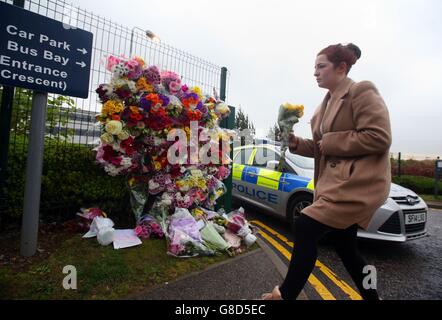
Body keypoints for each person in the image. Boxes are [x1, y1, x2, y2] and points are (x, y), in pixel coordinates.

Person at [262, 43, 392, 300]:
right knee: (348, 250)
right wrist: (297, 143)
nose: (315, 73)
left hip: (357, 183)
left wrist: (330, 141)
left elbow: (379, 137)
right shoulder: (323, 105)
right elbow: (323, 149)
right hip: (334, 185)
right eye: (314, 67)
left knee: (306, 225)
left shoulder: (361, 91)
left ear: (341, 67)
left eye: (321, 66)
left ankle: (285, 295)